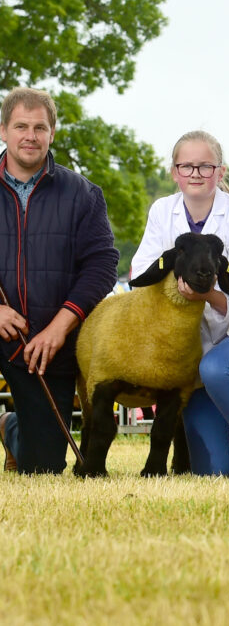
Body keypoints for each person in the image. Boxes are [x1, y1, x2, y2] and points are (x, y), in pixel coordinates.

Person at [130, 130, 229, 477]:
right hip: (190, 342)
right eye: (187, 166)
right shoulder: (162, 211)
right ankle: (224, 453)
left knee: (214, 368)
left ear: (220, 172)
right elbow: (142, 268)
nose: (195, 173)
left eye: (205, 166)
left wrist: (206, 293)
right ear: (174, 172)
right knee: (212, 472)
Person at [0, 87, 119, 474]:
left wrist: (59, 328)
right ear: (4, 131)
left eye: (39, 127)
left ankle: (11, 428)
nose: (30, 136)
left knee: (43, 467)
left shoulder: (83, 195)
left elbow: (103, 265)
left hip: (43, 346)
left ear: (52, 132)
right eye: (21, 126)